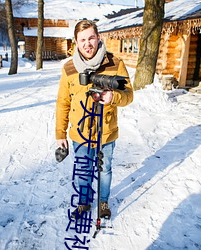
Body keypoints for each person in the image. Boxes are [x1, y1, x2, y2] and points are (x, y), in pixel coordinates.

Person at [55, 20, 133, 219]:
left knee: (104, 169)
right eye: (82, 40)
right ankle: (84, 202)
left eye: (91, 38)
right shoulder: (69, 68)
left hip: (106, 131)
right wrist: (60, 134)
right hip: (80, 133)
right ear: (76, 42)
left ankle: (103, 201)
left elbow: (129, 95)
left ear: (98, 38)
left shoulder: (115, 63)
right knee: (83, 170)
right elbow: (63, 102)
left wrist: (113, 97)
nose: (87, 44)